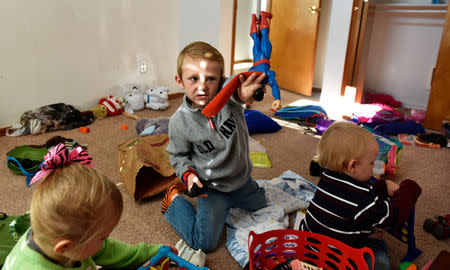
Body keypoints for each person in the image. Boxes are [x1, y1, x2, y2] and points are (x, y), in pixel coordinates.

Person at [162, 41, 268, 253]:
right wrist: (189, 177)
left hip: (241, 179)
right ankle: (173, 202)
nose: (202, 87)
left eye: (211, 79)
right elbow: (178, 156)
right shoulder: (179, 122)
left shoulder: (229, 98)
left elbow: (240, 91)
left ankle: (238, 198)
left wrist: (246, 92)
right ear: (179, 81)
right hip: (212, 188)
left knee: (263, 206)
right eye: (194, 78)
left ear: (221, 80)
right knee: (205, 245)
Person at [2, 143, 163, 270]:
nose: (106, 240)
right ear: (65, 246)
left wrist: (152, 253)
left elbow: (107, 250)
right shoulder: (32, 267)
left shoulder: (63, 236)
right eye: (103, 238)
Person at [300, 121, 422, 270]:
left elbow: (351, 196)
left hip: (309, 251)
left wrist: (382, 187)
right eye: (371, 163)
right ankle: (374, 242)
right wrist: (409, 187)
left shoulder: (326, 178)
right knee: (381, 263)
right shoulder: (362, 199)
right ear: (352, 166)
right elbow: (395, 216)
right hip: (336, 262)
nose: (374, 166)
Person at [249, 11, 282, 111]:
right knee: (255, 39)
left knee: (264, 35)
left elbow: (274, 85)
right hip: (256, 57)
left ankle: (263, 16)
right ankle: (253, 19)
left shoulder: (267, 75)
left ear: (263, 90)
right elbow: (249, 70)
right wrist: (248, 101)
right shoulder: (252, 76)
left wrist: (278, 99)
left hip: (265, 55)